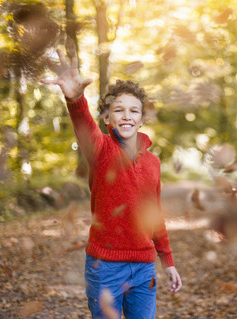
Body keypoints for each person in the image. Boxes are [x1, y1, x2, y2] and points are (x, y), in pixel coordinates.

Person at [42, 46, 182, 319]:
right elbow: (84, 124)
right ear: (108, 118)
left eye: (134, 110)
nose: (127, 115)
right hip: (104, 267)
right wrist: (75, 98)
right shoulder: (101, 150)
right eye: (119, 110)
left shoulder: (153, 163)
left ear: (142, 119)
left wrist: (168, 261)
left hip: (144, 266)